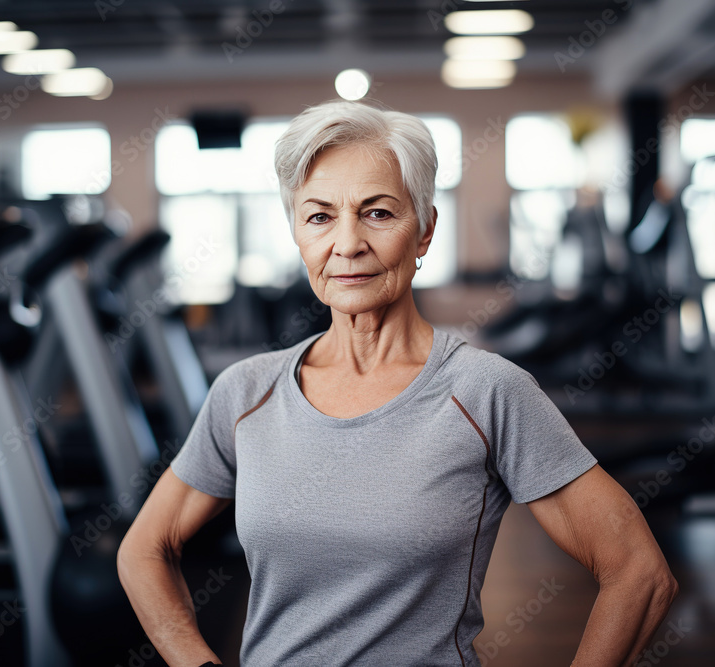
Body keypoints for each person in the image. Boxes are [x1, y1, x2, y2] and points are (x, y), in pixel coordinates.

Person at [117, 99, 678, 667]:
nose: (347, 244)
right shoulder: (245, 393)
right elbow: (143, 550)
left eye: (378, 213)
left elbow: (639, 571)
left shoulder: (486, 392)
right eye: (319, 217)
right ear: (296, 232)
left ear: (425, 230)